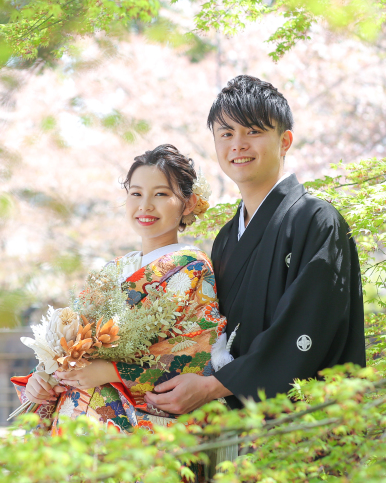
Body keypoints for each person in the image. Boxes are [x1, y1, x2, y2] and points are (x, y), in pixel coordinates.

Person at [144, 75, 366, 414]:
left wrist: (213, 387)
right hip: (231, 426)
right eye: (227, 134)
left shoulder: (316, 220)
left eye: (254, 131)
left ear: (285, 141)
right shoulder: (225, 240)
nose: (238, 144)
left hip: (305, 425)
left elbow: (306, 329)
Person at [11, 144, 230, 433]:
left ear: (188, 204)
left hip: (134, 425)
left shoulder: (191, 266)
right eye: (136, 193)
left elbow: (199, 347)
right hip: (76, 418)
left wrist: (112, 371)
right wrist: (46, 377)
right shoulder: (112, 270)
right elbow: (71, 342)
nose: (145, 206)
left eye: (161, 194)